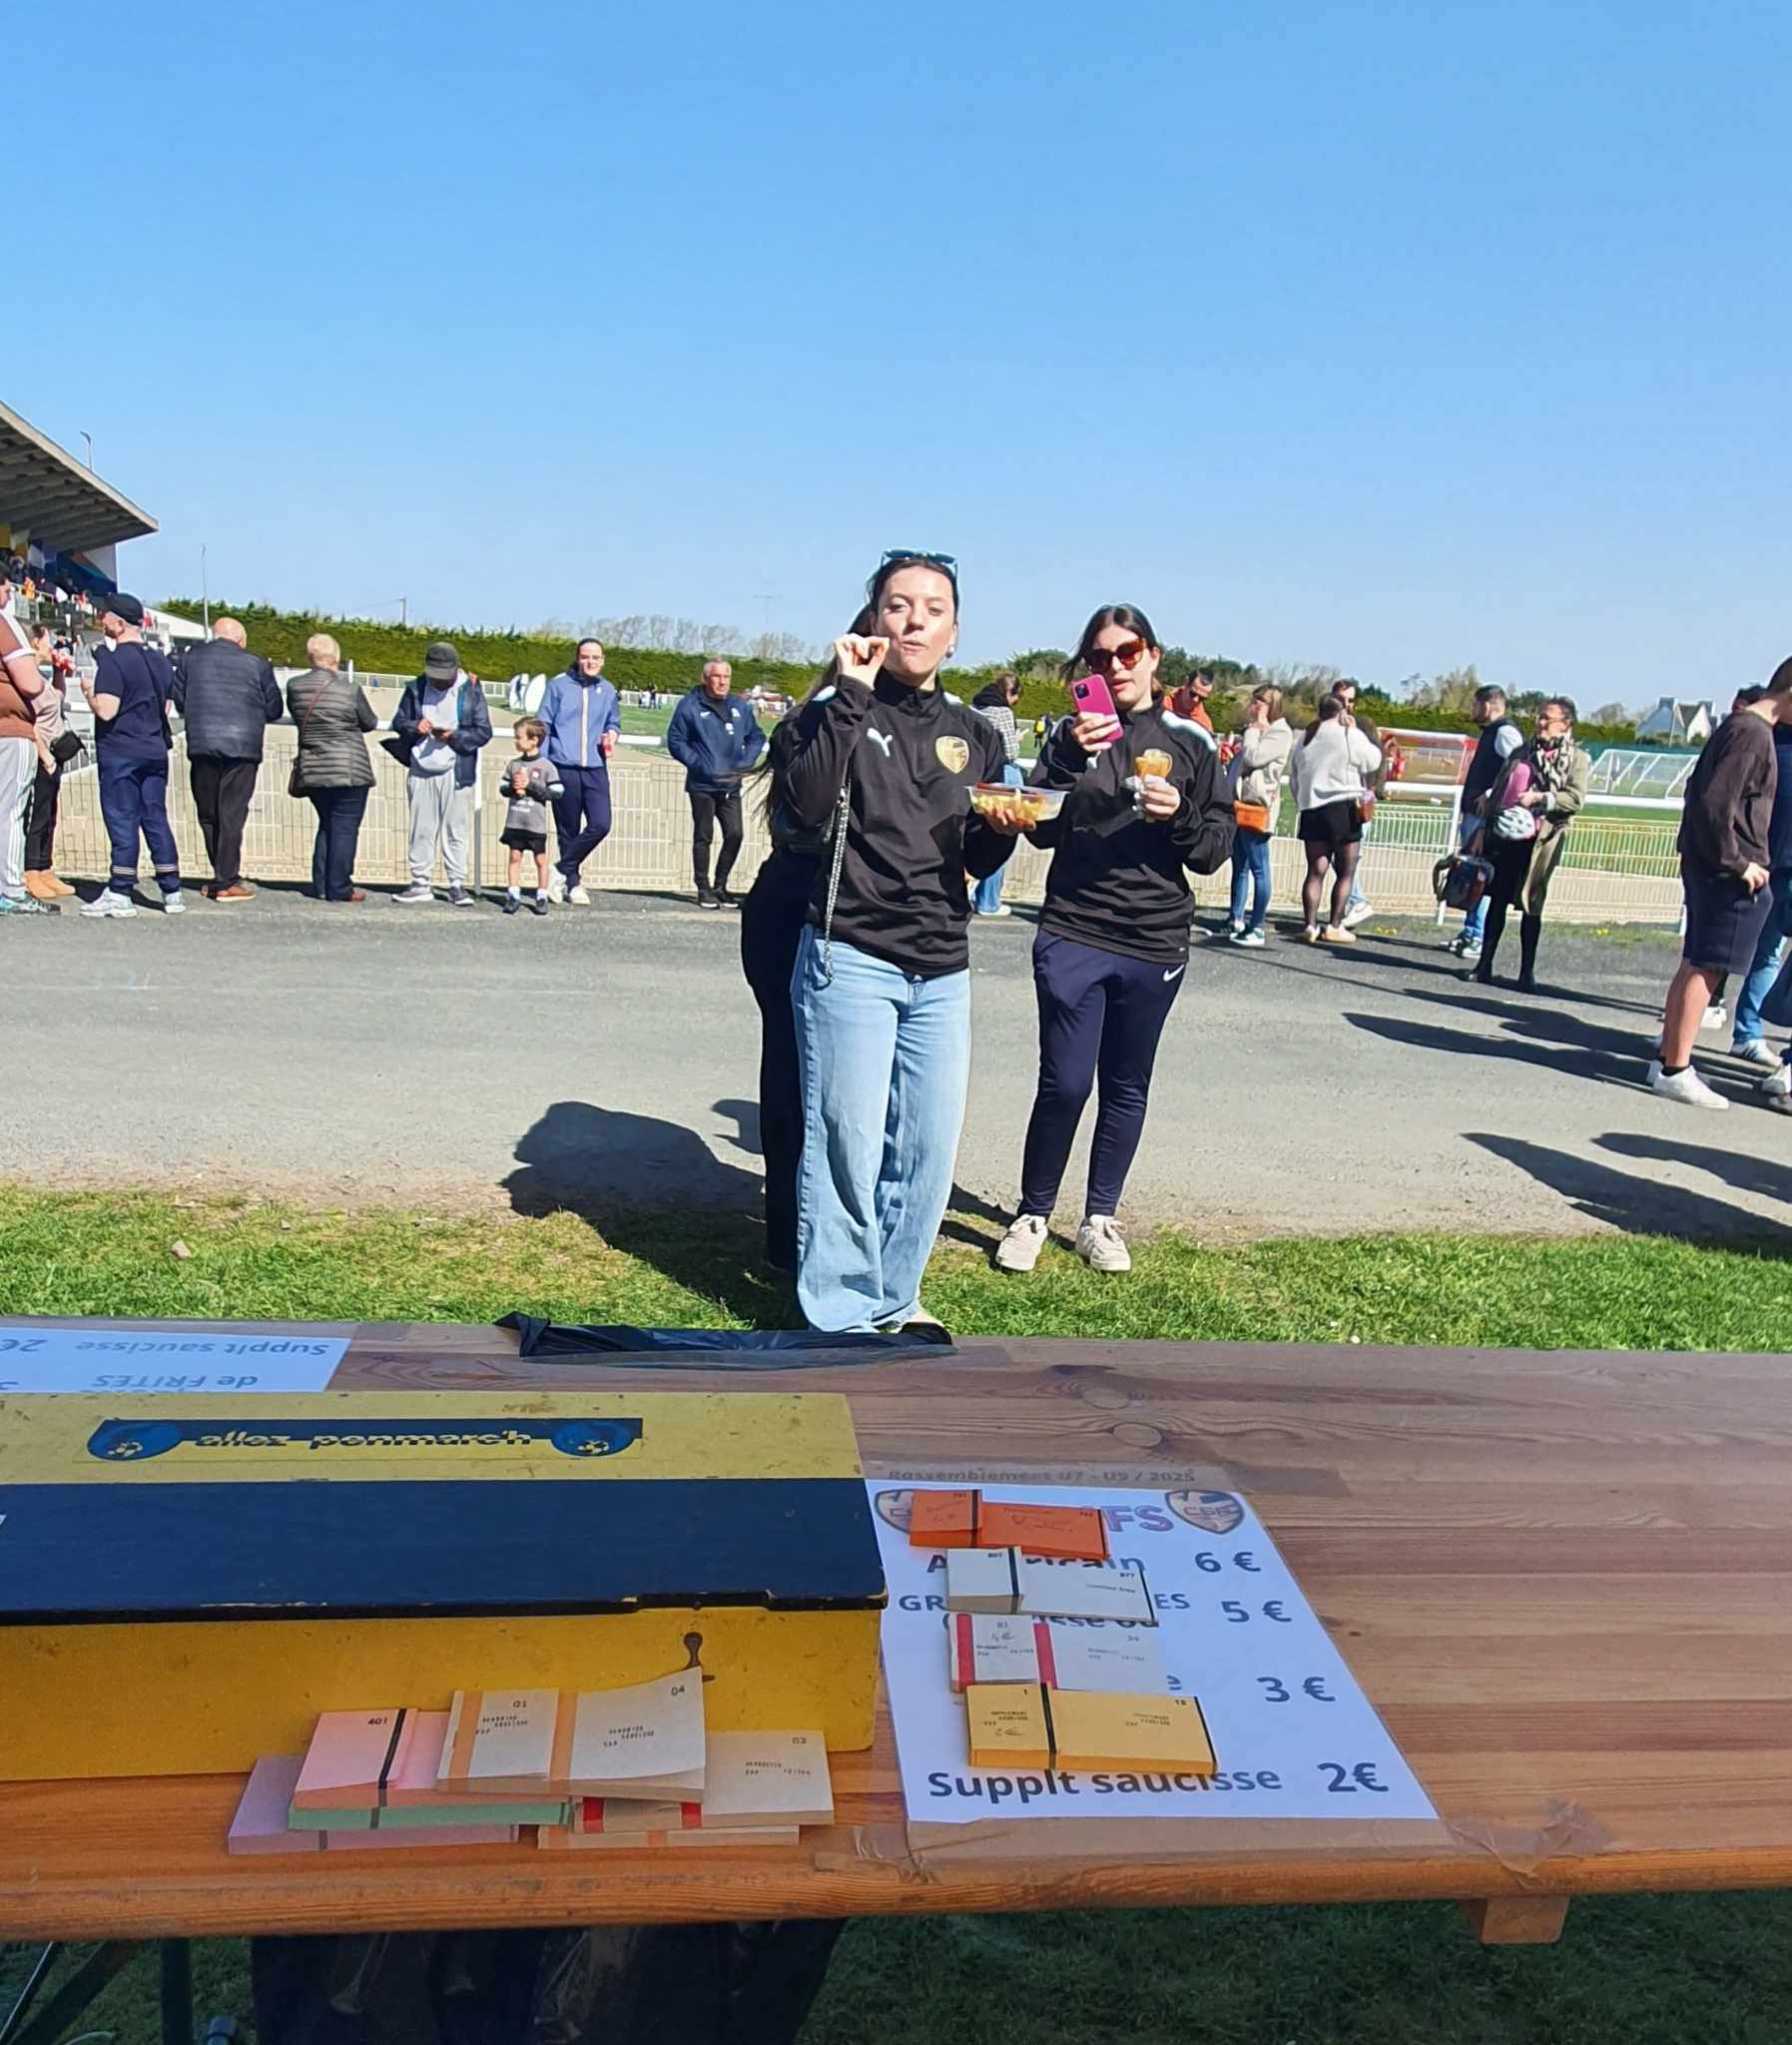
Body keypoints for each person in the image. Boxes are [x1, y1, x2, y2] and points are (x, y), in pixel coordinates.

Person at [783, 551, 1012, 1332]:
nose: (914, 620)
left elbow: (972, 860)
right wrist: (847, 694)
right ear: (873, 620)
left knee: (926, 1152)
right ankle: (841, 1312)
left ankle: (894, 1300)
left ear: (955, 631)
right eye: (897, 605)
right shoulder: (834, 710)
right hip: (849, 953)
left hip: (941, 966)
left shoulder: (975, 734)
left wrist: (1001, 834)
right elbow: (807, 805)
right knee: (847, 1145)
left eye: (932, 608)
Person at [993, 605, 1232, 1276]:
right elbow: (1036, 825)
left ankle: (1099, 1216)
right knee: (1065, 1084)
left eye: (1127, 653)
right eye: (1099, 659)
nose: (1115, 667)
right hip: (1073, 928)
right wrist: (1066, 755)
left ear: (1154, 656)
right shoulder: (1073, 735)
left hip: (1154, 939)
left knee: (1125, 1084)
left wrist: (1178, 814)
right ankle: (1032, 1212)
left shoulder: (1190, 740)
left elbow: (1214, 850)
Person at [1648, 662, 1792, 1108]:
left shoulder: (1740, 728)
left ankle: (1668, 1057)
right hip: (1728, 872)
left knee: (1695, 962)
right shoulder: (1753, 735)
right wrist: (1739, 862)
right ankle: (1677, 1068)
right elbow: (1715, 805)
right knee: (1708, 967)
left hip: (1711, 866)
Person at [740, 715, 827, 1274]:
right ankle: (789, 1237)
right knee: (791, 1078)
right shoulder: (810, 725)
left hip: (806, 899)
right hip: (796, 902)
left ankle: (808, 1235)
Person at [1468, 697, 1589, 991]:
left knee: (1531, 904)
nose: (1541, 723)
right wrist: (1484, 828)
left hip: (1542, 840)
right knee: (1496, 900)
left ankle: (1526, 973)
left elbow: (1575, 798)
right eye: (1540, 717)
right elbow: (1499, 789)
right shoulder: (1521, 752)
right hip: (1507, 836)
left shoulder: (1576, 759)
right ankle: (1484, 965)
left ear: (1566, 724)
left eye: (1548, 718)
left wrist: (1541, 799)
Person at [79, 593, 181, 918]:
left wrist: (88, 693)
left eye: (105, 614)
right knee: (154, 815)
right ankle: (171, 889)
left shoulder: (114, 661)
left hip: (122, 749)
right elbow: (165, 706)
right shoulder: (161, 661)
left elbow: (107, 711)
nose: (101, 618)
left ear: (119, 623)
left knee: (122, 817)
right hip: (154, 748)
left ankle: (120, 890)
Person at [173, 615, 283, 901]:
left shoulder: (190, 659)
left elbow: (180, 700)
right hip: (242, 748)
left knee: (209, 815)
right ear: (241, 640)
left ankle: (221, 874)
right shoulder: (257, 664)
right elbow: (274, 708)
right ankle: (226, 880)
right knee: (232, 814)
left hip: (202, 744)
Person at [391, 640, 491, 906]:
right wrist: (415, 725)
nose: (439, 683)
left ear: (456, 669)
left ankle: (456, 884)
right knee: (421, 828)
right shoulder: (415, 688)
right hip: (421, 767)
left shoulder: (470, 689)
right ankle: (420, 882)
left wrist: (453, 737)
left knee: (455, 829)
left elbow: (484, 732)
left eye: (443, 678)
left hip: (457, 769)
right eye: (434, 677)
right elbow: (398, 722)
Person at [666, 658, 766, 908]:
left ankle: (721, 885)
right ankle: (703, 887)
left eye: (726, 677)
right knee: (703, 835)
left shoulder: (739, 707)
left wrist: (745, 762)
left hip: (731, 784)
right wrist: (699, 764)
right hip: (702, 785)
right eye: (717, 676)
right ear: (705, 678)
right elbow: (676, 740)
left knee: (735, 833)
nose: (722, 682)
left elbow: (756, 736)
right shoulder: (689, 706)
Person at [288, 633, 377, 904]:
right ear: (337, 658)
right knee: (345, 828)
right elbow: (369, 721)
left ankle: (322, 883)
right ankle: (339, 887)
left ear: (309, 657)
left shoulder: (295, 686)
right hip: (349, 768)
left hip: (313, 768)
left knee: (327, 824)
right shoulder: (349, 689)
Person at [1287, 693, 1381, 944]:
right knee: (1346, 870)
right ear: (1341, 712)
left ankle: (1309, 924)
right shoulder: (1348, 733)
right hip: (1343, 807)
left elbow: (1294, 775)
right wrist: (1353, 730)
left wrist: (1302, 802)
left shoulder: (1306, 737)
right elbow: (1373, 760)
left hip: (1312, 809)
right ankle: (1335, 925)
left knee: (1315, 871)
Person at [1727, 715, 1792, 1069]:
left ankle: (1748, 1033)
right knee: (1754, 952)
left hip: (1769, 865)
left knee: (1766, 954)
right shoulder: (1769, 744)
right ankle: (1744, 1031)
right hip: (1766, 867)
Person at [1446, 684, 1525, 961]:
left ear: (1489, 705)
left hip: (1484, 818)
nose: (1472, 710)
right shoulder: (1491, 733)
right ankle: (1470, 931)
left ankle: (1477, 934)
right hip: (1473, 814)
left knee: (1478, 875)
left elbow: (1519, 766)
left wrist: (1491, 794)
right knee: (1469, 872)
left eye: (1476, 705)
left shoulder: (1505, 732)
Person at [539, 639, 619, 905]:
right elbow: (544, 725)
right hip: (564, 766)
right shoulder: (558, 685)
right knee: (568, 830)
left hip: (595, 767)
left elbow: (613, 721)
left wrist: (612, 734)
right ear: (577, 658)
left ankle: (559, 869)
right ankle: (573, 884)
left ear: (603, 660)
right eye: (585, 657)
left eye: (596, 657)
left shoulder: (607, 690)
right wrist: (544, 764)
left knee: (601, 824)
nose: (590, 662)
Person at [1225, 685, 1293, 947]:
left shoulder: (1280, 733)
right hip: (1241, 804)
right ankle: (1235, 918)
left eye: (1258, 703)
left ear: (1270, 705)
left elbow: (1253, 758)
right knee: (1239, 865)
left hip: (1257, 805)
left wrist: (1253, 731)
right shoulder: (1262, 731)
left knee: (1259, 868)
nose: (1252, 708)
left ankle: (1257, 925)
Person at [0, 571, 51, 916]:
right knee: (10, 811)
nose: (9, 593)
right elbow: (30, 684)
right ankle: (12, 890)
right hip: (9, 728)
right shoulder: (5, 624)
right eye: (6, 587)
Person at [22, 620, 74, 903]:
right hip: (43, 754)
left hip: (56, 753)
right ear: (36, 641)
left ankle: (45, 866)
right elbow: (28, 719)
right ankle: (31, 869)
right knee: (38, 814)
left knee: (50, 813)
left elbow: (57, 698)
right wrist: (44, 755)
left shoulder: (41, 677)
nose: (51, 646)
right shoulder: (26, 678)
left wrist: (59, 671)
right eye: (47, 641)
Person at [969, 671, 1024, 917]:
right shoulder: (1003, 711)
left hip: (974, 774)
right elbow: (1011, 753)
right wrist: (1016, 739)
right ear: (1010, 693)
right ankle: (988, 901)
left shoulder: (973, 707)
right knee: (999, 833)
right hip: (1001, 773)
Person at [1334, 680, 1385, 929]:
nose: (1346, 705)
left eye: (1350, 700)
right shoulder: (1326, 724)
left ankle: (1357, 900)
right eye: (1341, 699)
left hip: (1357, 800)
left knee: (1347, 858)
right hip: (1334, 799)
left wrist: (1371, 791)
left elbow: (1378, 759)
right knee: (1338, 858)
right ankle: (1347, 905)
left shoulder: (1363, 725)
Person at [499, 716, 562, 917]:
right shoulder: (514, 765)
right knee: (515, 856)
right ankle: (513, 893)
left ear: (534, 739)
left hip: (535, 824)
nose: (516, 742)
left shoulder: (546, 766)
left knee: (540, 859)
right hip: (516, 820)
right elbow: (503, 787)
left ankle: (541, 894)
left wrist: (531, 786)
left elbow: (557, 791)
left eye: (519, 738)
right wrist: (512, 787)